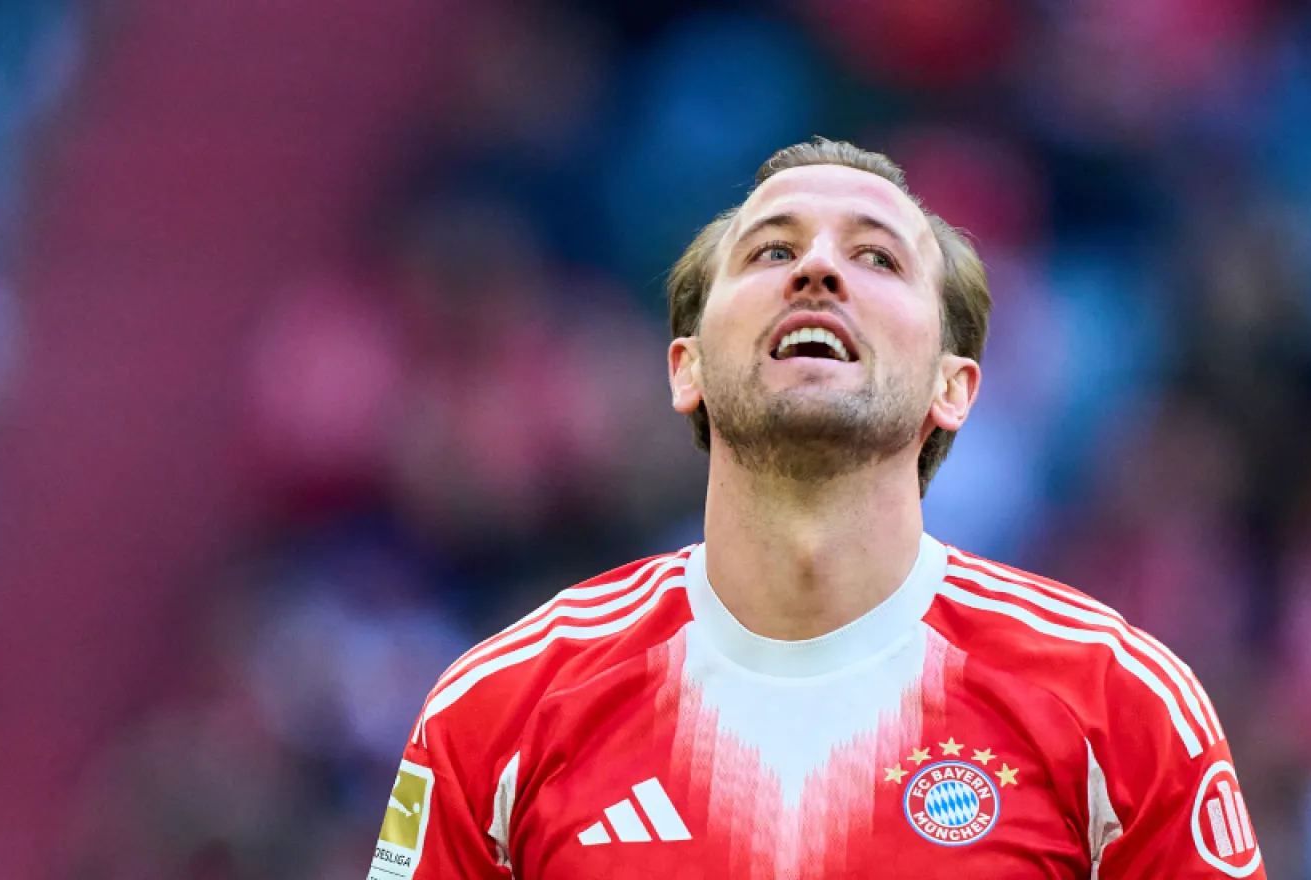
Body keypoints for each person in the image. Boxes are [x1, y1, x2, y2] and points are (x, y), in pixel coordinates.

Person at [370, 139, 1265, 879]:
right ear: (686, 368)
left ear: (952, 388)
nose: (819, 270)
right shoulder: (502, 710)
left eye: (878, 258)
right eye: (772, 251)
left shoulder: (1116, 704)